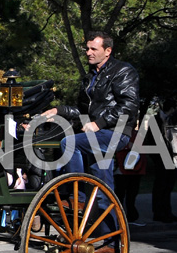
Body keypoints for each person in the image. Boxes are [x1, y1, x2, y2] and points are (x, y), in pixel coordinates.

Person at [41, 31, 140, 200]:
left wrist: (98, 124)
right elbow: (83, 110)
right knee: (102, 189)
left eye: (93, 49)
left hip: (115, 131)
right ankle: (111, 226)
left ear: (107, 51)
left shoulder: (123, 70)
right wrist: (59, 111)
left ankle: (77, 197)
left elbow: (129, 106)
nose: (88, 53)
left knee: (70, 144)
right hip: (97, 133)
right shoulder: (90, 77)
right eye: (87, 49)